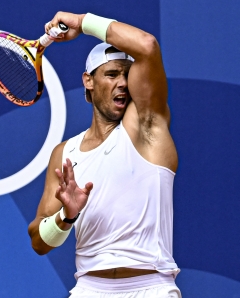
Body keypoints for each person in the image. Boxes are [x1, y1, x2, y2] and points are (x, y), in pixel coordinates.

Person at [27, 11, 182, 297]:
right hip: (89, 289)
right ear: (89, 81)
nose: (122, 83)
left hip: (151, 288)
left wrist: (82, 22)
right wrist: (66, 216)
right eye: (111, 74)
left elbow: (147, 46)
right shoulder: (65, 153)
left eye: (128, 74)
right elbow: (39, 241)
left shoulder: (148, 127)